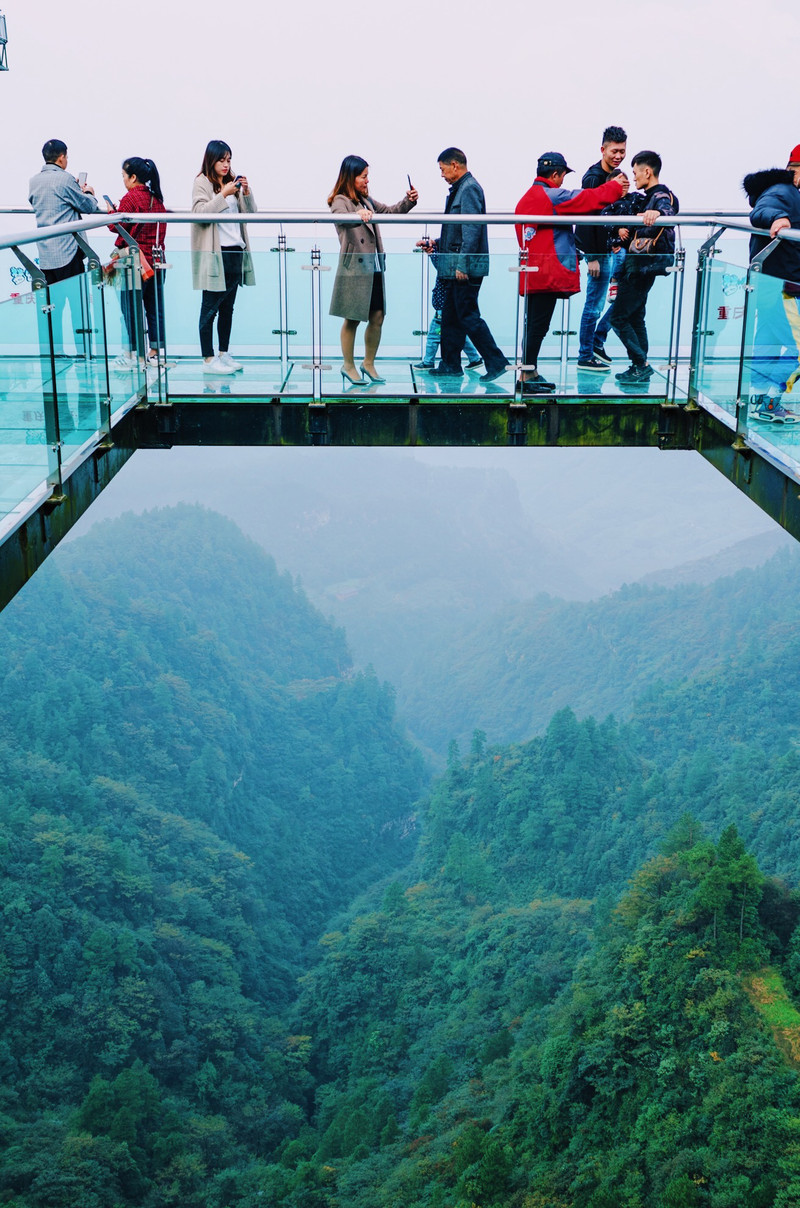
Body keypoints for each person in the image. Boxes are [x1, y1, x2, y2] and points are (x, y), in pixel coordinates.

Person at [514, 152, 627, 394]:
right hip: (546, 272)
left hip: (533, 271)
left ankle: (530, 371)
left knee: (533, 323)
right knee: (538, 325)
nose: (564, 181)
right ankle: (525, 376)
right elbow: (586, 199)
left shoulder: (528, 198)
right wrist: (615, 188)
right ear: (555, 174)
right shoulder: (551, 196)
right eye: (563, 175)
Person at [418, 148, 508, 383]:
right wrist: (435, 244)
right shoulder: (461, 189)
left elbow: (471, 229)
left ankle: (497, 362)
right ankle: (450, 364)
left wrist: (463, 265)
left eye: (442, 168)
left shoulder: (469, 189)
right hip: (456, 265)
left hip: (464, 268)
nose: (441, 174)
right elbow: (457, 232)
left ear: (455, 165)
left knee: (467, 315)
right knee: (450, 315)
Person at [328, 156, 417, 386]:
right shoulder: (341, 200)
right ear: (351, 177)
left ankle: (368, 363)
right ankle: (348, 365)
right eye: (364, 176)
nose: (368, 180)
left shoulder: (365, 200)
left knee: (377, 316)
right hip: (355, 269)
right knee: (353, 318)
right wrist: (356, 215)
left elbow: (389, 212)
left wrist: (408, 202)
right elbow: (339, 217)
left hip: (374, 266)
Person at [608, 152, 678, 385]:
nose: (634, 177)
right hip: (644, 264)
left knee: (618, 318)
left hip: (642, 265)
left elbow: (667, 211)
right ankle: (639, 367)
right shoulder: (655, 194)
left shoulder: (658, 195)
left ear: (647, 172)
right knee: (636, 317)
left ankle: (641, 365)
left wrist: (657, 213)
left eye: (636, 172)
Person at [28, 138, 100, 356]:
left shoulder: (34, 181)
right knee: (78, 307)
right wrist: (88, 192)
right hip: (69, 253)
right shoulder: (65, 179)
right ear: (61, 158)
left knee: (51, 309)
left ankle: (54, 353)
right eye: (66, 157)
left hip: (46, 255)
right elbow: (88, 206)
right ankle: (83, 352)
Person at [743, 153, 800, 422]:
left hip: (771, 283)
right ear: (795, 170)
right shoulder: (783, 191)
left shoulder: (787, 191)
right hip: (783, 286)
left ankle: (757, 396)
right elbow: (762, 211)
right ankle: (770, 401)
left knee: (768, 339)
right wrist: (778, 218)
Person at [191, 140, 256, 375]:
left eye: (229, 160)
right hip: (215, 253)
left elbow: (251, 214)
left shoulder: (232, 181)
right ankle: (208, 358)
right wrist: (223, 195)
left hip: (236, 250)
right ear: (211, 159)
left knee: (228, 307)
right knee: (210, 306)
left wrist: (245, 193)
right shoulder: (202, 182)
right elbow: (198, 214)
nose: (226, 164)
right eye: (222, 160)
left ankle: (223, 353)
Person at [108, 157, 168, 372]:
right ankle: (155, 352)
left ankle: (133, 353)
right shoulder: (156, 199)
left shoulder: (130, 198)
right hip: (156, 262)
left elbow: (116, 227)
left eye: (124, 176)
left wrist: (111, 212)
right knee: (154, 308)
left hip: (135, 264)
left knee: (130, 308)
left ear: (133, 177)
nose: (123, 180)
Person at [575, 125, 628, 370]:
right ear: (603, 149)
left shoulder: (615, 176)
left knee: (619, 299)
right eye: (614, 151)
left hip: (609, 249)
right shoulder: (594, 178)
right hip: (598, 253)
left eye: (622, 151)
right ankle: (586, 355)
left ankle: (596, 342)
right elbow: (586, 218)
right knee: (594, 305)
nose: (618, 156)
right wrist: (592, 256)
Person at [415, 271, 482, 371]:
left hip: (442, 311)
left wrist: (433, 254)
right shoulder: (449, 271)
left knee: (433, 337)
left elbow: (436, 259)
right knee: (459, 336)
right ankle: (474, 358)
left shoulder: (445, 270)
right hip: (448, 309)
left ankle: (428, 362)